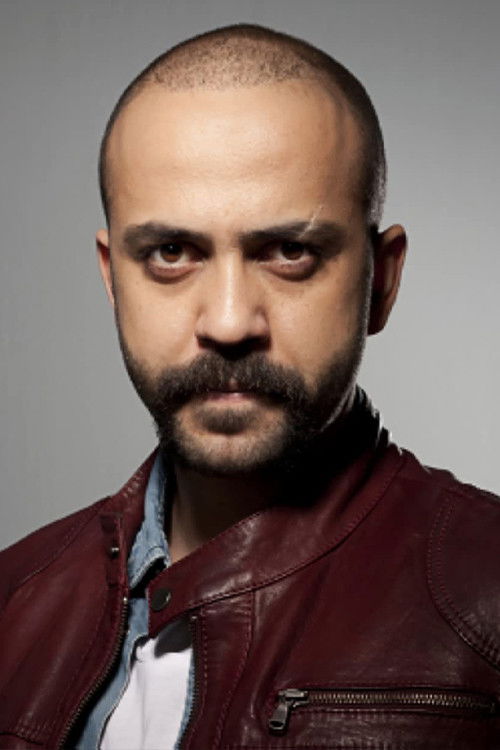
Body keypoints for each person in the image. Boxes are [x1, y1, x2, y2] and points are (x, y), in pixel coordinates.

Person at [0, 22, 499, 750]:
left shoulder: (488, 594)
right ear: (113, 280)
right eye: (172, 252)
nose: (230, 322)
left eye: (289, 251)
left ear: (382, 281)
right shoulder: (13, 599)